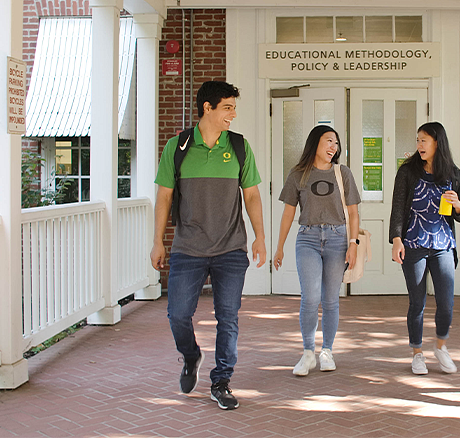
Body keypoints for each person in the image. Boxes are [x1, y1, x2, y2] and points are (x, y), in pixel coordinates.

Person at [150, 81, 266, 410]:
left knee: (227, 317)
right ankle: (191, 355)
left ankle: (222, 381)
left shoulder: (239, 147)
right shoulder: (178, 147)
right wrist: (158, 241)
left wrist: (259, 236)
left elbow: (253, 195)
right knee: (178, 315)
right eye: (227, 107)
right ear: (208, 108)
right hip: (188, 247)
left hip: (231, 248)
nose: (233, 113)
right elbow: (164, 196)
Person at [273, 125, 361, 376]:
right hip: (307, 239)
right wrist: (279, 248)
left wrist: (353, 244)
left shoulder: (343, 173)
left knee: (331, 299)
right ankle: (308, 353)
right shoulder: (298, 174)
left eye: (336, 143)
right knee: (310, 297)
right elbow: (288, 213)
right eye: (329, 141)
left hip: (337, 239)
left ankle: (328, 351)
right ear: (315, 143)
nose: (334, 147)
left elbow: (353, 213)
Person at [389, 122, 460, 375]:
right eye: (418, 140)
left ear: (437, 143)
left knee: (446, 302)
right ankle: (417, 353)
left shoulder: (456, 176)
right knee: (417, 302)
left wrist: (457, 206)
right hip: (413, 244)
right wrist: (396, 239)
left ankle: (442, 348)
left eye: (424, 140)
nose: (419, 145)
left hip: (443, 245)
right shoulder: (407, 172)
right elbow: (398, 208)